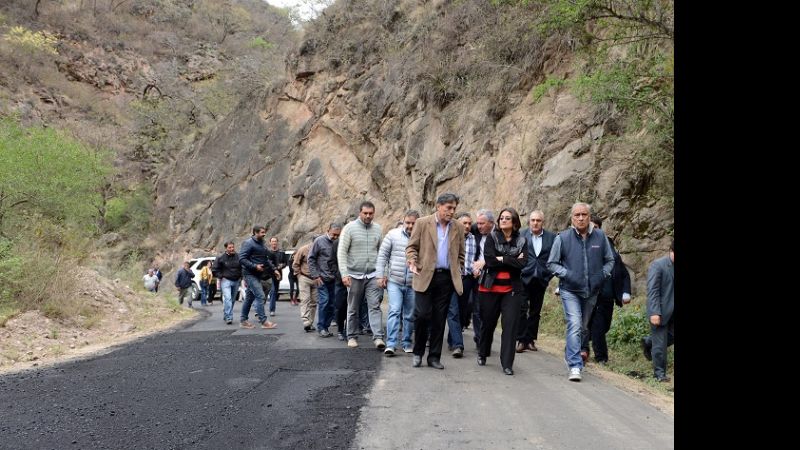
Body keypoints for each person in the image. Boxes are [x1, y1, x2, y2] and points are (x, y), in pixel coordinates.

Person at [547, 202, 614, 382]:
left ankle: (570, 353)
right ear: (572, 218)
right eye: (577, 215)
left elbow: (610, 260)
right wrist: (567, 274)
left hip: (592, 291)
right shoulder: (563, 238)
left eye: (584, 214)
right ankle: (575, 365)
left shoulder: (600, 237)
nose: (581, 218)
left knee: (583, 327)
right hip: (570, 289)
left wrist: (601, 275)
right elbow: (552, 263)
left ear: (589, 217)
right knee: (575, 324)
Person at [406, 193, 465, 370]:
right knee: (422, 315)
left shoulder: (459, 227)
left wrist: (458, 267)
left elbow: (461, 253)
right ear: (438, 206)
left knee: (440, 319)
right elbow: (411, 247)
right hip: (424, 275)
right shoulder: (422, 223)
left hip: (446, 278)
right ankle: (418, 353)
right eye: (448, 208)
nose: (451, 211)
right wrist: (412, 260)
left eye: (454, 208)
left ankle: (434, 357)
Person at [476, 208, 527, 376]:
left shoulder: (522, 240)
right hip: (490, 288)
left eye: (507, 218)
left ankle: (507, 364)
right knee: (488, 323)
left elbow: (523, 264)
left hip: (512, 290)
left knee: (510, 327)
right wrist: (511, 259)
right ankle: (483, 353)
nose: (503, 220)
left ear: (514, 222)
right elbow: (489, 261)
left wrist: (502, 258)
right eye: (501, 218)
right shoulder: (491, 238)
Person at [582, 215, 632, 364]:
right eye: (591, 227)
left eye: (596, 227)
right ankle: (600, 356)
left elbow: (623, 273)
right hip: (591, 294)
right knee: (594, 324)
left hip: (608, 297)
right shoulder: (583, 245)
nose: (593, 230)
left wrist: (626, 291)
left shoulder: (610, 247)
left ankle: (581, 345)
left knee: (604, 326)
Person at [338, 201, 385, 349]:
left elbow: (381, 253)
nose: (368, 216)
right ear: (360, 212)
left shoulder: (377, 229)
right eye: (365, 213)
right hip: (353, 275)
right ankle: (351, 336)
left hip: (372, 275)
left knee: (375, 306)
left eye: (371, 213)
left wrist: (382, 273)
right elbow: (341, 252)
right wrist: (344, 274)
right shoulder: (349, 228)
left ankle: (378, 337)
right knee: (353, 307)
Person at [376, 210, 419, 356]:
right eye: (408, 222)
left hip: (414, 283)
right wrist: (380, 275)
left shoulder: (422, 237)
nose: (410, 226)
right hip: (395, 280)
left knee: (410, 314)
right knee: (394, 310)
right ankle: (391, 344)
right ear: (403, 221)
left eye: (414, 223)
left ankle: (407, 342)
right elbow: (382, 256)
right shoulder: (392, 235)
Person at [516, 210, 556, 353]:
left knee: (535, 311)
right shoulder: (521, 235)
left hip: (541, 279)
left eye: (538, 220)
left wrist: (548, 275)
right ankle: (521, 340)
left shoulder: (552, 237)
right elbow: (514, 254)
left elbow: (555, 258)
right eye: (533, 220)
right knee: (521, 309)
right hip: (523, 277)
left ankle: (531, 340)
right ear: (529, 221)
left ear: (542, 222)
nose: (535, 223)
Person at [642, 240, 674, 382]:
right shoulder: (658, 265)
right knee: (660, 344)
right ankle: (659, 374)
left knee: (664, 339)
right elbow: (653, 290)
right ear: (671, 251)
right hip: (661, 311)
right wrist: (654, 311)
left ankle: (648, 342)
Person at [446, 212, 476, 358]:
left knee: (463, 311)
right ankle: (458, 345)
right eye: (464, 223)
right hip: (450, 279)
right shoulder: (449, 237)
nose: (467, 226)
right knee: (453, 311)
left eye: (470, 223)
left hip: (467, 280)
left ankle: (452, 339)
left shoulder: (474, 239)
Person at [239, 225, 279, 329]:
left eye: (264, 232)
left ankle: (243, 320)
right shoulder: (248, 243)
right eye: (262, 232)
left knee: (249, 298)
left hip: (258, 275)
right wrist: (254, 266)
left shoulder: (262, 243)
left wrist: (274, 270)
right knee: (261, 296)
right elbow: (242, 259)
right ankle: (264, 321)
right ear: (255, 233)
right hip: (249, 274)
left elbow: (266, 260)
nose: (264, 234)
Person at [309, 223, 343, 338]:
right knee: (324, 301)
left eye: (338, 235)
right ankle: (321, 327)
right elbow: (311, 259)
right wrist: (315, 276)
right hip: (322, 279)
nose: (335, 237)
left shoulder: (340, 242)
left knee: (333, 304)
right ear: (327, 230)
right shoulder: (319, 241)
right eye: (334, 234)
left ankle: (326, 327)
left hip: (336, 279)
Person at [292, 235, 318, 332]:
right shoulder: (303, 249)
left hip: (316, 278)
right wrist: (298, 275)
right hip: (304, 277)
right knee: (305, 299)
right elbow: (295, 263)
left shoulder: (320, 250)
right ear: (312, 242)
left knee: (314, 302)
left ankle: (310, 323)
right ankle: (305, 320)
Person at [213, 241, 242, 325]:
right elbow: (214, 269)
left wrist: (242, 277)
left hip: (236, 280)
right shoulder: (220, 258)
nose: (232, 249)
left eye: (233, 247)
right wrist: (221, 276)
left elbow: (243, 267)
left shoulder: (239, 256)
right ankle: (229, 317)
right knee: (228, 299)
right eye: (230, 247)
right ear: (226, 248)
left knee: (232, 300)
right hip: (226, 281)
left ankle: (226, 314)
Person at [266, 237, 287, 316]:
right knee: (273, 291)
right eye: (272, 241)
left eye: (275, 241)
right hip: (268, 274)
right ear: (270, 243)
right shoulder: (267, 252)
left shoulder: (281, 252)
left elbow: (285, 263)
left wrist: (281, 265)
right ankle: (272, 309)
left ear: (277, 242)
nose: (274, 243)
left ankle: (270, 306)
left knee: (274, 292)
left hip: (278, 274)